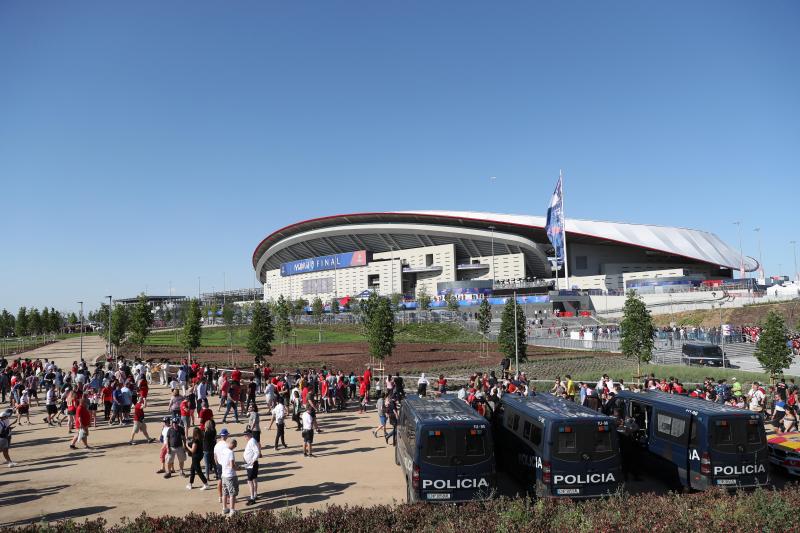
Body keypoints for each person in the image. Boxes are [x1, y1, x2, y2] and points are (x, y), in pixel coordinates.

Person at [219, 438, 239, 517]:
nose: (235, 447)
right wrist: (238, 468)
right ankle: (232, 510)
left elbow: (220, 461)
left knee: (225, 493)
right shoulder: (231, 452)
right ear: (232, 444)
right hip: (230, 475)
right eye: (234, 445)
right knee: (232, 494)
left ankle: (224, 508)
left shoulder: (223, 451)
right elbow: (232, 465)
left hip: (224, 475)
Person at [243, 428, 260, 505]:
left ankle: (252, 498)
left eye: (246, 435)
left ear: (250, 435)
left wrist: (252, 461)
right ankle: (254, 495)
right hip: (251, 464)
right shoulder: (251, 441)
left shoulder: (252, 441)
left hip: (251, 464)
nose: (245, 437)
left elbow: (257, 452)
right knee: (254, 479)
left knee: (250, 481)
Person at [214, 428, 231, 504]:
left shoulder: (217, 445)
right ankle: (227, 497)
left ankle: (220, 497)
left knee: (220, 480)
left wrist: (217, 464)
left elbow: (215, 456)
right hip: (225, 465)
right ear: (226, 435)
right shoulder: (227, 445)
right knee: (227, 482)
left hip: (219, 464)